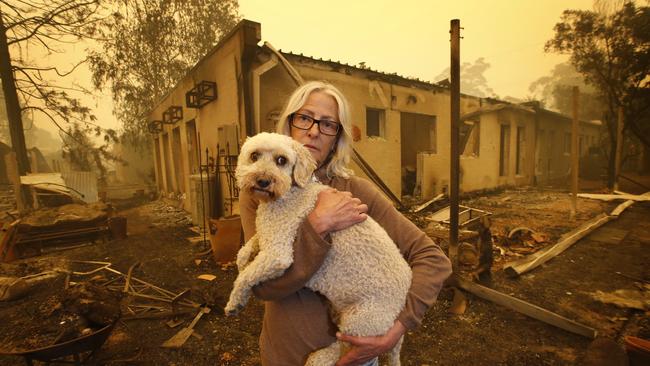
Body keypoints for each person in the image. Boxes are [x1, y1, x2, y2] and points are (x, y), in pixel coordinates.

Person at [238, 81, 452, 366]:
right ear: (288, 125)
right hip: (284, 354)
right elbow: (264, 287)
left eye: (328, 124)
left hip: (352, 357)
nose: (313, 130)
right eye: (304, 118)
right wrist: (319, 223)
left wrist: (396, 330)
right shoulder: (261, 192)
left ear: (336, 138)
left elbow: (433, 259)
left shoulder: (357, 192)